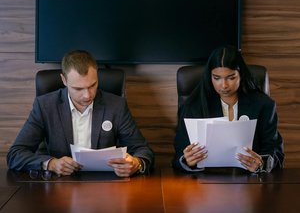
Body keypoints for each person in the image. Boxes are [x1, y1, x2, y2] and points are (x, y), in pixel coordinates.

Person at [7, 50, 154, 177]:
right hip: (58, 186)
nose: (87, 95)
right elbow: (15, 154)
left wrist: (136, 163)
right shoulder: (45, 106)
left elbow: (143, 150)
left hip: (105, 185)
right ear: (64, 80)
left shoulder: (116, 106)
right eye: (78, 89)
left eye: (92, 85)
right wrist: (51, 164)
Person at [172, 45, 284, 173]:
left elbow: (276, 152)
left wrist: (261, 164)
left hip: (249, 182)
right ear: (209, 76)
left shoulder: (263, 105)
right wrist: (187, 161)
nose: (224, 85)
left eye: (231, 78)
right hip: (205, 183)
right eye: (217, 78)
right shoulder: (193, 106)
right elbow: (177, 158)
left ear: (241, 75)